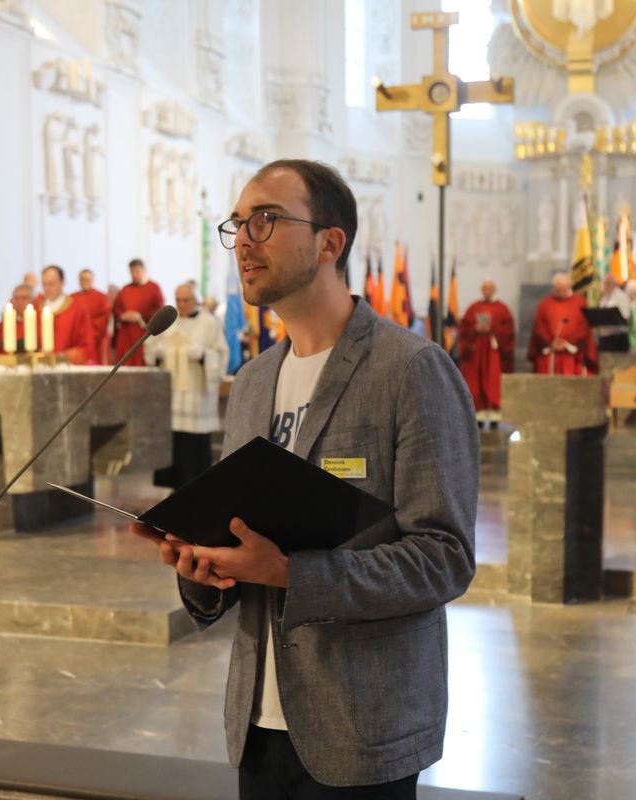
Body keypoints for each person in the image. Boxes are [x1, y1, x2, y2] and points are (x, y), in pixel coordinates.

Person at [129, 159, 478, 798]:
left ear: (329, 243)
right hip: (256, 723)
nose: (244, 240)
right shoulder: (253, 380)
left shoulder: (410, 370)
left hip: (360, 725)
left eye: (265, 219)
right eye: (238, 223)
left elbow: (444, 559)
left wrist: (292, 573)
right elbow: (245, 540)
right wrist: (203, 568)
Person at [146, 282, 228, 488]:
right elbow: (150, 350)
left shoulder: (209, 322)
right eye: (178, 300)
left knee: (193, 459)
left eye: (186, 300)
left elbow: (221, 355)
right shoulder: (168, 322)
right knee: (173, 451)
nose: (181, 304)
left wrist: (202, 354)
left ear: (195, 300)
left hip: (195, 399)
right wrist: (158, 353)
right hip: (171, 398)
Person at [458, 279, 516, 428]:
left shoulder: (502, 309)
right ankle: (477, 419)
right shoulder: (473, 308)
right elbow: (464, 329)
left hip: (493, 353)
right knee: (475, 382)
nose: (488, 291)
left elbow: (508, 331)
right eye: (485, 288)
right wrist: (475, 329)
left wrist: (493, 329)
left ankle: (495, 419)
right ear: (481, 290)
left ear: (494, 290)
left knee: (493, 381)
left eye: (490, 288)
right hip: (476, 354)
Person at [527, 272, 598, 375]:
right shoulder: (545, 303)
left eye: (562, 289)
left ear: (569, 287)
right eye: (557, 289)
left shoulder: (580, 303)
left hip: (573, 354)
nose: (559, 292)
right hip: (550, 353)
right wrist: (552, 342)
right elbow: (539, 328)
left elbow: (584, 328)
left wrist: (566, 343)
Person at [37, 265, 98, 365]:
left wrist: (63, 356)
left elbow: (86, 345)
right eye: (44, 284)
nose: (46, 288)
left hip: (68, 367)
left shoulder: (77, 309)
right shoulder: (35, 309)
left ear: (62, 283)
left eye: (51, 284)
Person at [113, 258, 165, 366]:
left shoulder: (154, 287)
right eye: (131, 272)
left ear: (144, 270)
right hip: (126, 335)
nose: (134, 275)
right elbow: (116, 309)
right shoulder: (125, 289)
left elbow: (159, 310)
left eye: (137, 271)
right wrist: (122, 316)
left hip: (144, 333)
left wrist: (140, 316)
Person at [0, 283, 33, 358]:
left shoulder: (39, 322)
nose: (20, 302)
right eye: (16, 298)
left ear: (33, 300)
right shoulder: (7, 322)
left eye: (24, 298)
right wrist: (0, 359)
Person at [73, 268, 111, 366]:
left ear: (93, 280)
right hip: (78, 341)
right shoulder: (72, 298)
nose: (84, 282)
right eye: (82, 279)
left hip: (97, 340)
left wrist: (87, 335)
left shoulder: (102, 297)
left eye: (87, 279)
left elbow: (103, 319)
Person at [597, 272, 631, 353]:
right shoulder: (604, 298)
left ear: (615, 284)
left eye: (608, 283)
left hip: (617, 337)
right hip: (605, 336)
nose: (606, 286)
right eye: (605, 284)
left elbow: (625, 317)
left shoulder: (621, 296)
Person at [103, 283, 120, 363]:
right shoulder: (106, 305)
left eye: (113, 292)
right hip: (109, 338)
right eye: (109, 292)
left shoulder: (120, 306)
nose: (110, 294)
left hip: (118, 338)